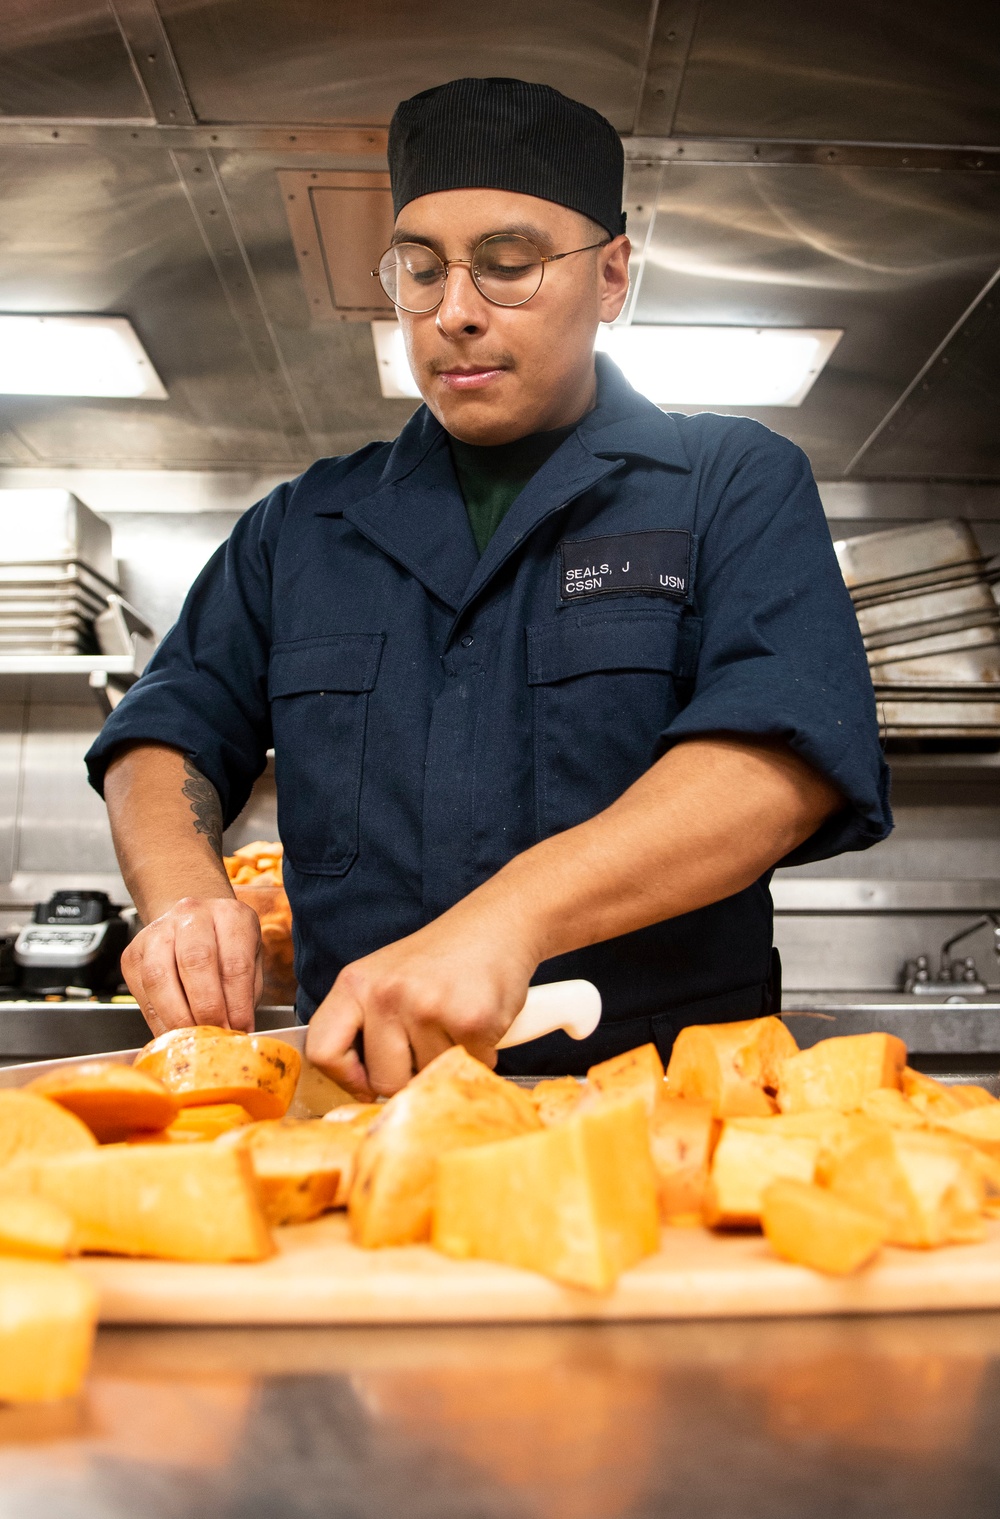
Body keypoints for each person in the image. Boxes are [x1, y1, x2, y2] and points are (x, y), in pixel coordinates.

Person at [86, 77, 891, 1101]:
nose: (454, 312)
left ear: (609, 278)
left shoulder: (729, 481)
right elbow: (168, 732)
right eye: (419, 271)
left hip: (662, 1115)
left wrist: (507, 915)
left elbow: (779, 761)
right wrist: (184, 895)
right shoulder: (304, 526)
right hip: (369, 1110)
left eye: (507, 266)